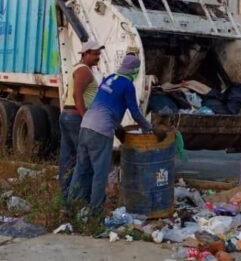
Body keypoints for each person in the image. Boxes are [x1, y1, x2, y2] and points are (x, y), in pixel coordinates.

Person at [69, 54, 165, 213]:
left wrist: (118, 127)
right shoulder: (127, 84)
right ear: (134, 70)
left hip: (86, 125)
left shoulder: (110, 78)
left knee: (81, 169)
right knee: (100, 173)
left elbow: (106, 106)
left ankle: (69, 207)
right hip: (101, 131)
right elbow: (135, 113)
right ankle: (95, 212)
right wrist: (150, 128)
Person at [59, 40, 104, 202]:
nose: (98, 57)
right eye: (94, 54)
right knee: (84, 160)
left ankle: (65, 198)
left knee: (68, 159)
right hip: (76, 117)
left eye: (99, 54)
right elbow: (78, 97)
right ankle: (77, 200)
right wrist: (86, 119)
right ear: (85, 54)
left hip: (68, 115)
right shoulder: (84, 71)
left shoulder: (78, 68)